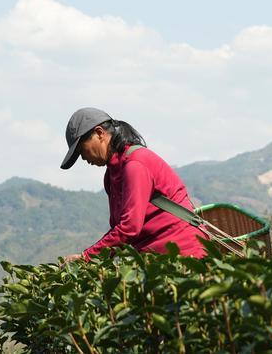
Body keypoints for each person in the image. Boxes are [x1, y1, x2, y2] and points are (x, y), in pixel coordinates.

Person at [59, 107, 207, 259]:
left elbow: (129, 228)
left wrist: (86, 257)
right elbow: (119, 230)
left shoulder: (135, 164)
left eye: (81, 150)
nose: (83, 158)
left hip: (184, 254)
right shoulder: (111, 174)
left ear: (99, 133)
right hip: (153, 258)